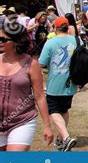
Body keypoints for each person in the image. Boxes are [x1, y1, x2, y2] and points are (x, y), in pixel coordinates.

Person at [0, 21, 54, 151]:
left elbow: (39, 96)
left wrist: (47, 126)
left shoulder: (31, 64)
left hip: (22, 120)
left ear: (16, 41)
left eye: (2, 39)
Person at [38, 17, 78, 151]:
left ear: (55, 28)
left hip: (55, 84)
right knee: (64, 110)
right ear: (67, 27)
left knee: (53, 110)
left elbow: (41, 63)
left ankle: (66, 137)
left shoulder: (50, 43)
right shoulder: (77, 40)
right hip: (71, 83)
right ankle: (61, 140)